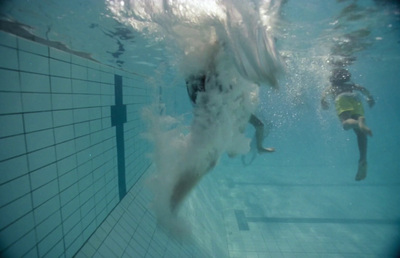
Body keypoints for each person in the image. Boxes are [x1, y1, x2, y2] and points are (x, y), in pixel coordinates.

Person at [186, 74, 275, 154]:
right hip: (225, 105)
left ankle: (259, 147)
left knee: (259, 125)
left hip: (229, 106)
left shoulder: (238, 112)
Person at [320, 68, 375, 181]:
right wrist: (370, 98)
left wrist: (323, 102)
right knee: (361, 134)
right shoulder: (353, 86)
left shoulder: (334, 87)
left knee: (345, 123)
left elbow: (324, 94)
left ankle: (358, 123)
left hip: (342, 98)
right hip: (356, 98)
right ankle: (363, 159)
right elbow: (363, 89)